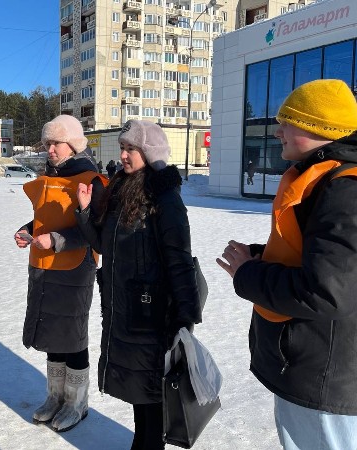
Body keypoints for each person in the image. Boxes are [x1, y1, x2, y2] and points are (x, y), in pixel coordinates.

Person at [216, 79, 357, 450]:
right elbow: (327, 261)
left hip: (325, 377)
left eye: (287, 122)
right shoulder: (328, 179)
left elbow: (326, 291)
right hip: (316, 368)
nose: (277, 131)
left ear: (318, 127)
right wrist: (262, 256)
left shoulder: (344, 188)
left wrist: (248, 274)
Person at [75, 120, 201, 450]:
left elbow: (180, 261)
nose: (123, 155)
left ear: (150, 152)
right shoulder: (120, 192)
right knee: (138, 392)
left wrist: (185, 318)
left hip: (152, 316)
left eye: (131, 148)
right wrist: (85, 212)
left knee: (153, 395)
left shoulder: (164, 199)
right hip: (123, 311)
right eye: (123, 147)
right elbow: (103, 245)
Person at [14, 114, 106, 432]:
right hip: (44, 266)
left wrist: (54, 240)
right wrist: (28, 231)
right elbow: (45, 218)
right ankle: (55, 397)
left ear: (73, 144)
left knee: (72, 336)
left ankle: (77, 403)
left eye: (56, 143)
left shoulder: (91, 179)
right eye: (47, 143)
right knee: (51, 332)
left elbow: (95, 233)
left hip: (75, 268)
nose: (50, 149)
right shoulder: (49, 176)